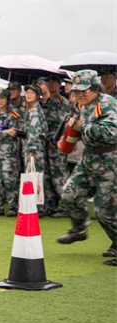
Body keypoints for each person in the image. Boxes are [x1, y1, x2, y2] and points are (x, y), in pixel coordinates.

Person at [56, 70, 117, 260]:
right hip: (89, 159)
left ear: (95, 88)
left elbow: (111, 133)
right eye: (76, 91)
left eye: (84, 90)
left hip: (109, 162)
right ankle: (79, 229)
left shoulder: (107, 104)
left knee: (104, 211)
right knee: (69, 194)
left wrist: (81, 127)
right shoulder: (85, 105)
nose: (79, 95)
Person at [0, 89, 21, 216]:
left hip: (9, 154)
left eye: (2, 98)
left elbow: (14, 132)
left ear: (7, 100)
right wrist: (6, 132)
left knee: (9, 180)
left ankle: (13, 206)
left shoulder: (13, 115)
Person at [42, 75, 72, 217]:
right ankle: (51, 205)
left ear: (60, 85)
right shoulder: (45, 102)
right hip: (45, 143)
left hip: (57, 143)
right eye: (49, 81)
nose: (51, 84)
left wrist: (54, 138)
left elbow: (64, 123)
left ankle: (67, 207)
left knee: (59, 176)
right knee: (47, 176)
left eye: (54, 82)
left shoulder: (62, 102)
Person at [22, 84, 48, 216]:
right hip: (34, 147)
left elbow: (34, 132)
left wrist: (31, 151)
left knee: (36, 177)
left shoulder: (35, 111)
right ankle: (37, 207)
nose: (28, 94)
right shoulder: (31, 110)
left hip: (35, 148)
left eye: (32, 93)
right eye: (27, 92)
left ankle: (39, 208)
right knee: (35, 177)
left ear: (38, 96)